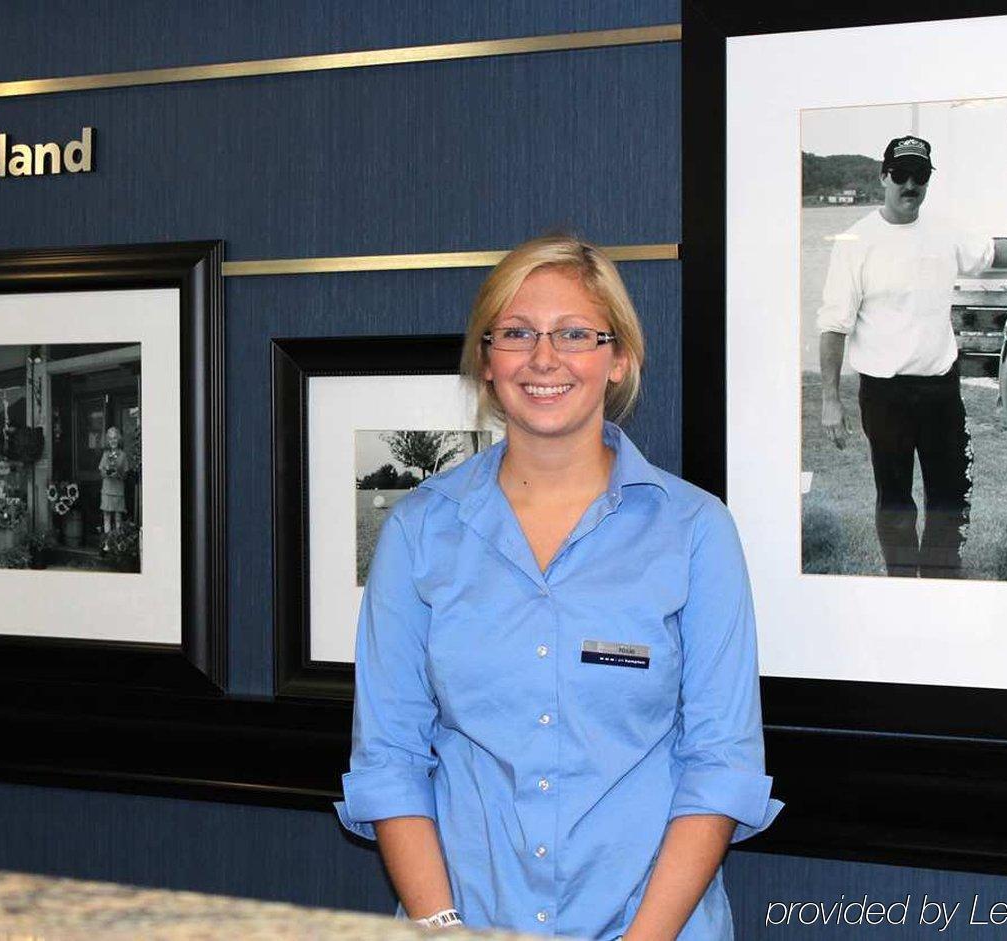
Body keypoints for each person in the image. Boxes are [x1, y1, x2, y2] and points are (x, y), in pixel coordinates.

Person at [334, 234, 782, 939]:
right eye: (516, 333)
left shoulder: (695, 531)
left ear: (619, 357)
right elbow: (389, 760)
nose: (544, 358)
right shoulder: (420, 531)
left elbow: (721, 765)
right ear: (487, 362)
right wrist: (446, 929)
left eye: (575, 333)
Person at [817, 135, 1007, 578]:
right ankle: (903, 584)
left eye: (919, 176)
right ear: (884, 176)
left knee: (950, 495)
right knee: (895, 498)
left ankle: (942, 581)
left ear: (927, 181)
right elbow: (833, 324)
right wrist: (831, 397)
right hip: (884, 394)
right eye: (901, 175)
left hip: (940, 388)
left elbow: (993, 252)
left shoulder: (943, 232)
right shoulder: (856, 241)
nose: (910, 185)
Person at [98, 426, 129, 540]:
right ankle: (106, 544)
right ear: (107, 440)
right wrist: (106, 472)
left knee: (118, 517)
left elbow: (126, 475)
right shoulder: (105, 454)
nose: (113, 441)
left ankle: (117, 543)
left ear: (119, 439)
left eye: (115, 438)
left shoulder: (123, 455)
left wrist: (118, 474)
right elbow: (101, 472)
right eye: (110, 438)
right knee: (106, 517)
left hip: (118, 489)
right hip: (107, 489)